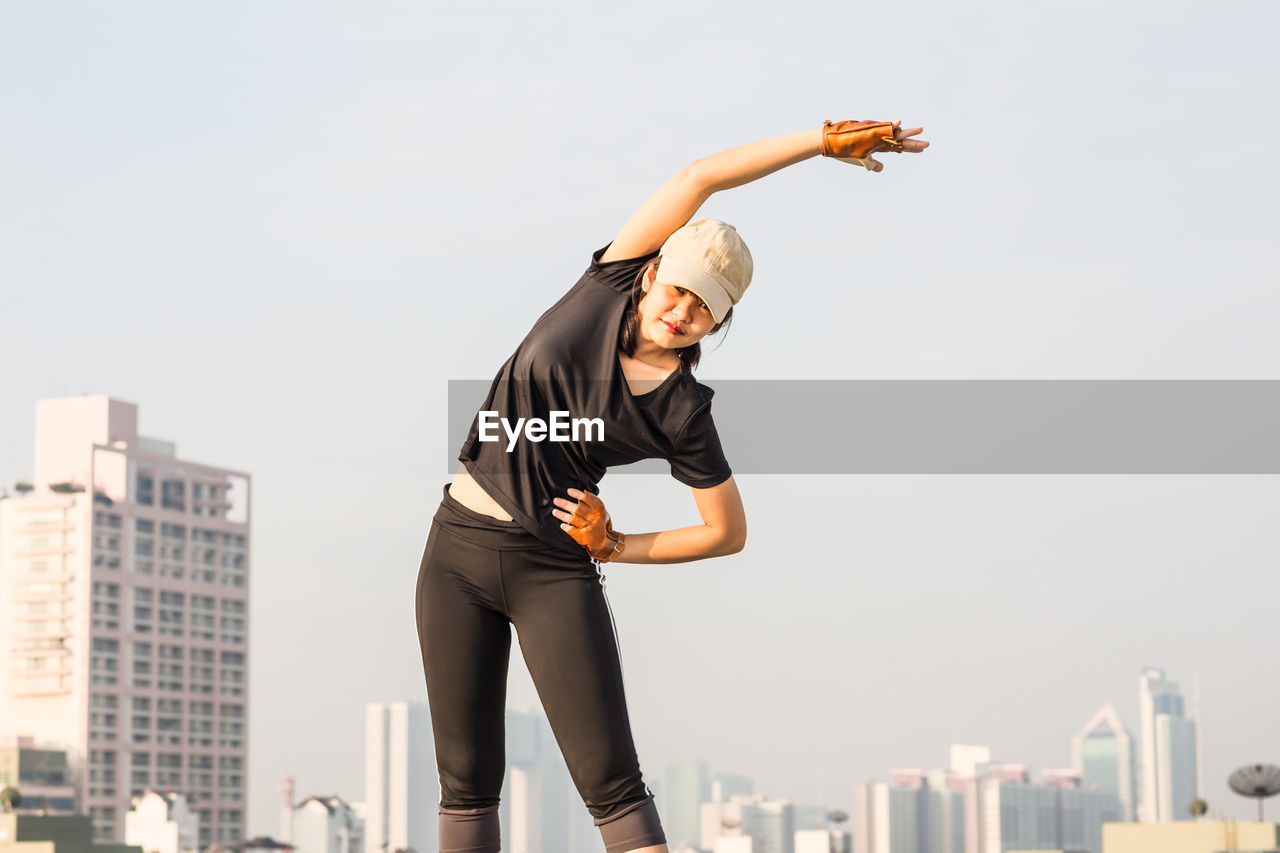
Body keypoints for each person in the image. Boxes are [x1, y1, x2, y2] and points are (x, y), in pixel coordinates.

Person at [417, 119, 929, 853]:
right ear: (654, 270)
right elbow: (699, 178)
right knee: (465, 786)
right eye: (682, 288)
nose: (684, 312)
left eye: (706, 307)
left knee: (614, 789)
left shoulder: (684, 411)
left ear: (720, 319)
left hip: (552, 571)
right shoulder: (606, 284)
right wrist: (817, 143)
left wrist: (616, 543)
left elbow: (727, 531)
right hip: (454, 552)